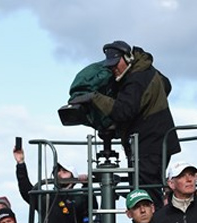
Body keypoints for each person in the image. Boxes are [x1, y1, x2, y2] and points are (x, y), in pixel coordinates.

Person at [69, 40, 180, 208]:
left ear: (128, 58)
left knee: (146, 195)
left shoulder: (136, 78)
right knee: (144, 191)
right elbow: (167, 85)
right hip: (152, 143)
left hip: (150, 145)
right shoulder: (146, 68)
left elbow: (123, 111)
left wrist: (94, 97)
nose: (113, 68)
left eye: (116, 64)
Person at [13, 147, 91, 223]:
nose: (59, 173)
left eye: (64, 171)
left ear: (73, 176)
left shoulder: (79, 198)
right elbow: (27, 191)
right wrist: (20, 163)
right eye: (58, 170)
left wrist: (86, 185)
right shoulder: (47, 198)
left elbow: (91, 206)